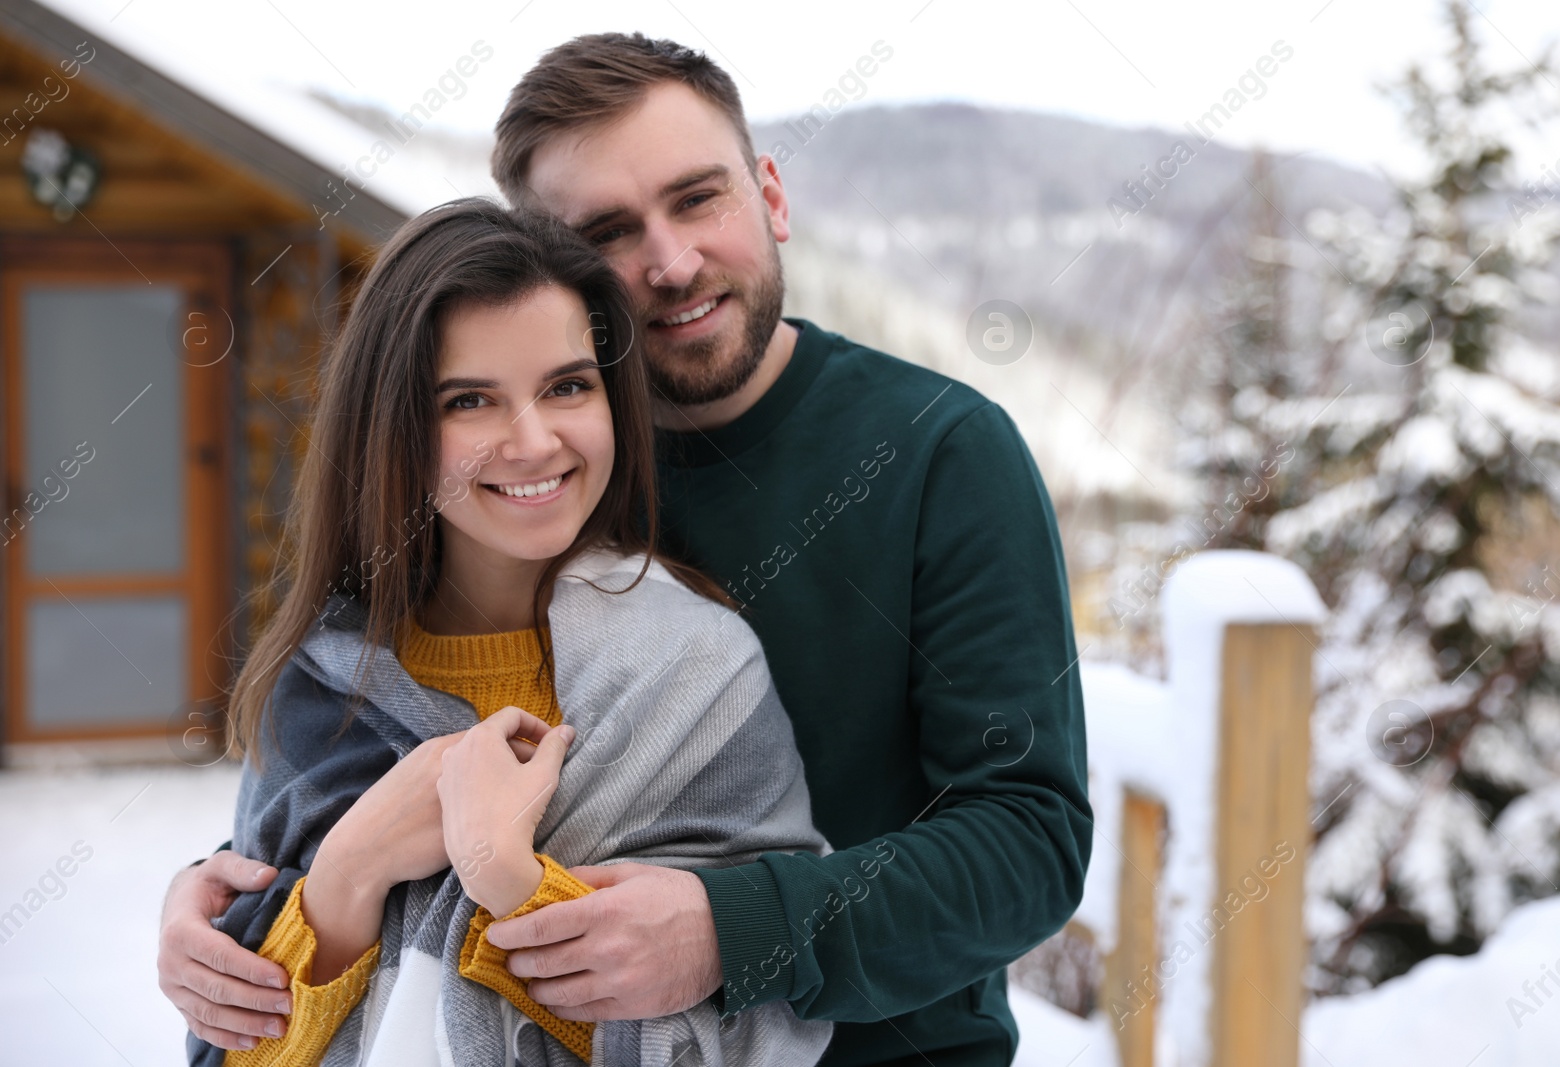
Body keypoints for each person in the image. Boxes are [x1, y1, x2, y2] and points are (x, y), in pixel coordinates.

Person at [160, 33, 1093, 1067]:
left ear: (769, 193)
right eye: (608, 229)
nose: (672, 260)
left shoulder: (939, 452)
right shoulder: (515, 490)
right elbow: (383, 752)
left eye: (699, 198)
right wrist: (241, 889)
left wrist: (727, 926)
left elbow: (1027, 841)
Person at [185, 198, 833, 1067]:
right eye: (470, 400)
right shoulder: (321, 684)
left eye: (567, 385)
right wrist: (346, 876)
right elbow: (234, 1044)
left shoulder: (699, 671)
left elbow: (761, 1033)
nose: (532, 442)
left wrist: (509, 881)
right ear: (398, 430)